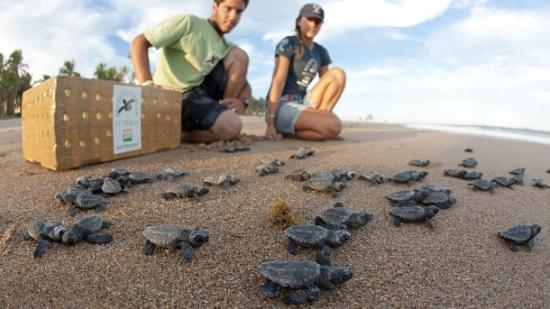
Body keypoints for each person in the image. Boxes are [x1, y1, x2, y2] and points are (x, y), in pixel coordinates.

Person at [131, 0, 251, 143]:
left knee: (240, 56)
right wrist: (147, 84)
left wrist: (243, 101)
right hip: (178, 95)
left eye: (239, 11)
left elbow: (244, 83)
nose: (233, 17)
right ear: (215, 6)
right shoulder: (189, 23)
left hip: (201, 93)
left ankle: (221, 112)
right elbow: (139, 42)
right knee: (232, 128)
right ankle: (168, 133)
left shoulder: (226, 46)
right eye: (228, 9)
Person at [265, 3, 346, 141]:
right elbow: (278, 81)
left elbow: (327, 85)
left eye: (318, 22)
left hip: (303, 102)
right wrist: (270, 123)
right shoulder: (289, 43)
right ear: (298, 21)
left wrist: (325, 116)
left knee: (338, 74)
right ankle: (316, 126)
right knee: (334, 125)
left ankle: (317, 126)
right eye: (309, 19)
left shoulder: (321, 51)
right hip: (283, 104)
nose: (313, 24)